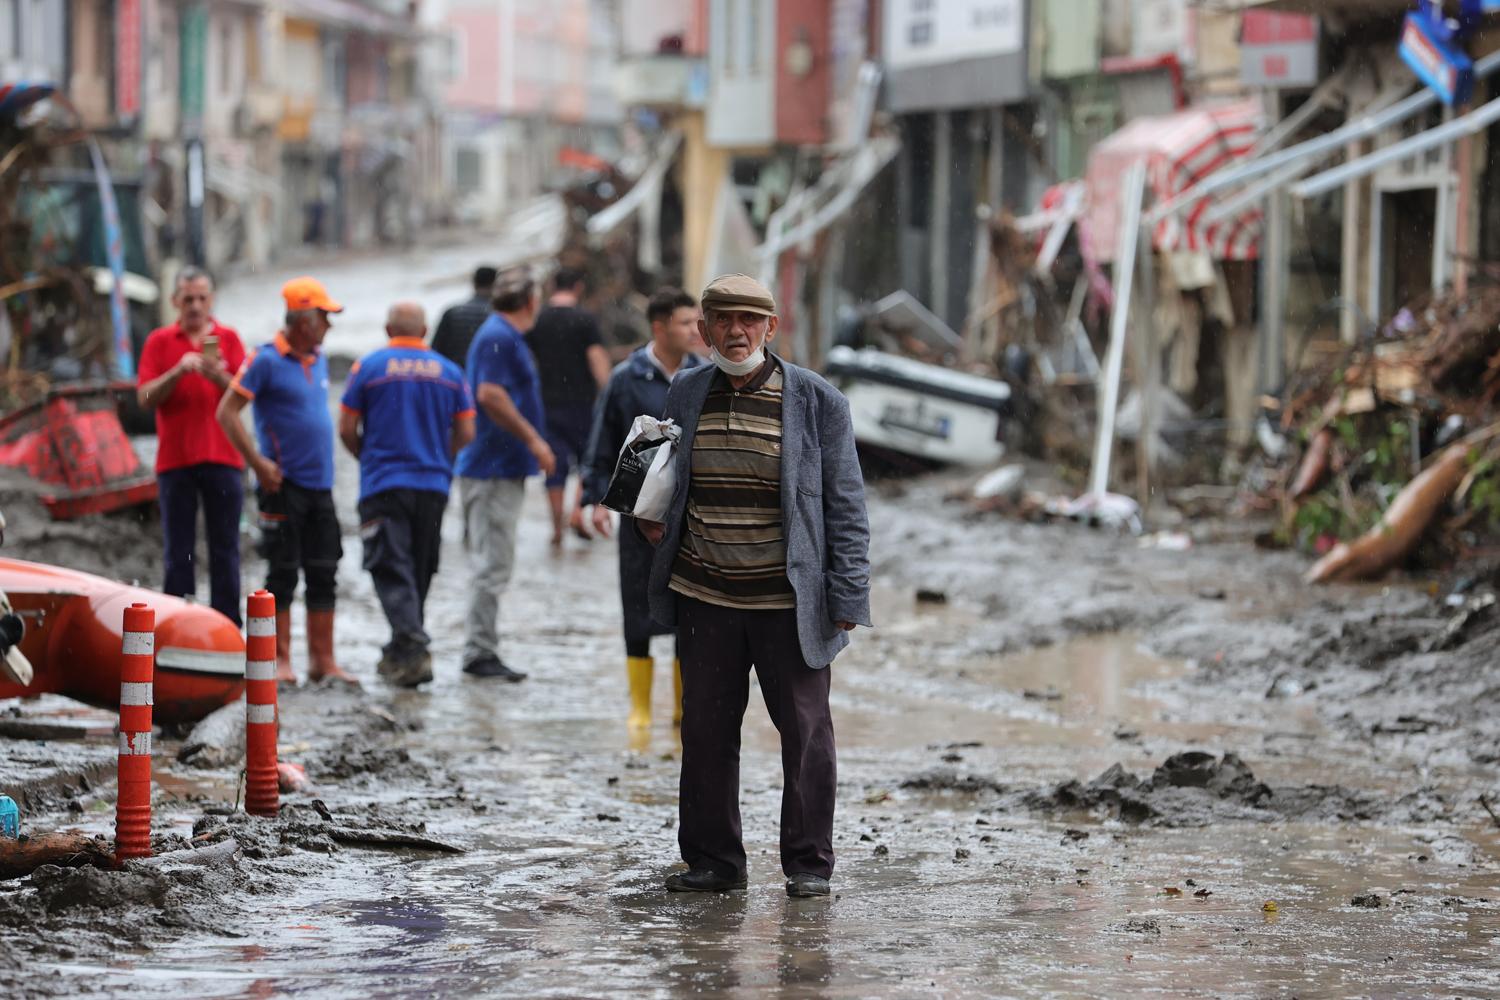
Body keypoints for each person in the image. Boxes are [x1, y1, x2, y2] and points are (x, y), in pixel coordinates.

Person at [637, 274, 871, 899]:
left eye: (749, 321)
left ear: (771, 329)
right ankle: (714, 860)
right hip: (705, 597)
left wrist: (847, 597)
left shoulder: (818, 402)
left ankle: (807, 864)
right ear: (705, 329)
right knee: (707, 732)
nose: (735, 332)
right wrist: (650, 517)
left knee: (807, 735)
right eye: (723, 320)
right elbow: (663, 479)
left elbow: (846, 506)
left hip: (787, 604)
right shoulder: (685, 392)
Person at [216, 277, 358, 687]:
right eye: (325, 317)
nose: (329, 326)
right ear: (304, 319)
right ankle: (280, 660)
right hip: (282, 485)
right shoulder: (265, 360)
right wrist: (257, 463)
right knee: (282, 571)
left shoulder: (317, 359)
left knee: (324, 570)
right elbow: (228, 412)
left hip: (321, 486)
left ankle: (323, 661)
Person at [582, 287, 702, 735]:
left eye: (696, 322)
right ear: (659, 327)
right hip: (637, 512)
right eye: (686, 323)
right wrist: (592, 499)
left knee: (687, 606)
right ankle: (640, 709)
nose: (695, 331)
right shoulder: (625, 377)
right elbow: (600, 440)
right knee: (637, 601)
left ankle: (682, 708)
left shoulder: (704, 374)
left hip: (690, 511)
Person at [338, 303, 476, 688]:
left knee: (389, 564)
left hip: (383, 484)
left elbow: (347, 427)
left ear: (387, 329)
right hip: (433, 484)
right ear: (426, 330)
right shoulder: (450, 372)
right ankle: (404, 651)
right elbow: (466, 432)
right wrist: (437, 455)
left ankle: (412, 642)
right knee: (419, 567)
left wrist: (366, 457)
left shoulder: (368, 367)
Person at [455, 268, 556, 681]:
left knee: (493, 561)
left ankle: (482, 646)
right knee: (493, 565)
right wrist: (534, 440)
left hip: (498, 467)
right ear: (530, 301)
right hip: (491, 468)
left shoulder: (501, 334)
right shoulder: (499, 336)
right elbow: (490, 394)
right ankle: (479, 652)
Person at [136, 267, 247, 625]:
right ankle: (177, 627)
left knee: (225, 549)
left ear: (212, 300)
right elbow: (145, 398)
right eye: (188, 299)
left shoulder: (229, 338)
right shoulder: (159, 341)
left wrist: (220, 376)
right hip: (176, 462)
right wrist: (178, 371)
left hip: (224, 458)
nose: (196, 306)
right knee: (178, 552)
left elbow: (247, 396)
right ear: (175, 302)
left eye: (202, 298)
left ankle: (227, 627)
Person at [525, 267, 611, 545]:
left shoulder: (537, 320)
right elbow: (596, 358)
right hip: (582, 403)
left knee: (553, 464)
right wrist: (608, 393)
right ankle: (576, 512)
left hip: (546, 403)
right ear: (578, 287)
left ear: (552, 285)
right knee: (587, 460)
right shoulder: (585, 319)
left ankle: (556, 527)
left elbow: (527, 362)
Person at [431, 265, 497, 370]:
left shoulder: (452, 313)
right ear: (496, 285)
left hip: (456, 377)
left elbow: (436, 352)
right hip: (489, 379)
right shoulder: (500, 317)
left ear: (474, 284)